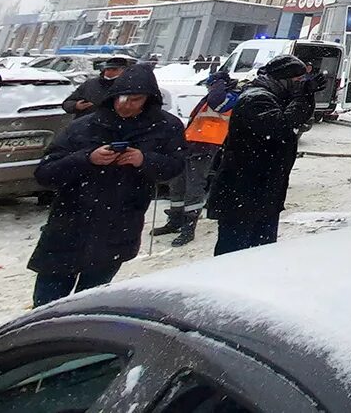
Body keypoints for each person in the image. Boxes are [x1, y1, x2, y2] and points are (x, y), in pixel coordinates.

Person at [27, 65, 185, 307]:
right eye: (121, 97)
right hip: (68, 226)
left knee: (89, 305)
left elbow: (175, 167)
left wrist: (144, 160)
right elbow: (45, 173)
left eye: (135, 99)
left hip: (118, 228)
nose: (125, 105)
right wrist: (87, 158)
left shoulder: (166, 127)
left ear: (149, 100)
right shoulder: (84, 126)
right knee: (47, 306)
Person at [208, 55, 326, 256]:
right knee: (235, 254)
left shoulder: (271, 97)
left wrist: (305, 96)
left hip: (261, 192)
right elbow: (282, 126)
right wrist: (302, 96)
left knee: (261, 253)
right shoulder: (256, 98)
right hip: (244, 192)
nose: (299, 86)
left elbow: (296, 120)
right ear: (283, 79)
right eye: (297, 82)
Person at [153, 68, 240, 247]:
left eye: (211, 85)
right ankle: (176, 219)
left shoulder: (230, 97)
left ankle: (189, 226)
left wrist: (218, 85)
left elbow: (217, 104)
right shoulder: (213, 96)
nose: (209, 88)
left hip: (207, 145)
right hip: (190, 143)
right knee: (177, 183)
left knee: (194, 186)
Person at [61, 56, 132, 117]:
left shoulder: (129, 86)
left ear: (124, 71)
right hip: (86, 127)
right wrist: (76, 106)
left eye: (114, 70)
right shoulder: (90, 84)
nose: (109, 72)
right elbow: (67, 103)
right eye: (107, 69)